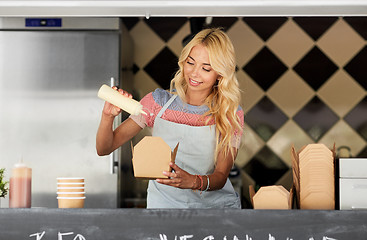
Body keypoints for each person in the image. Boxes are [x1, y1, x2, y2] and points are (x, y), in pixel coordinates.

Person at [96, 28, 244, 209]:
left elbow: (221, 176)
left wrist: (192, 181)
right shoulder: (157, 103)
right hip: (164, 209)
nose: (195, 73)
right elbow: (104, 148)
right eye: (191, 63)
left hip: (214, 212)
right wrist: (107, 116)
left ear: (220, 74)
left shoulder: (230, 113)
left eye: (206, 68)